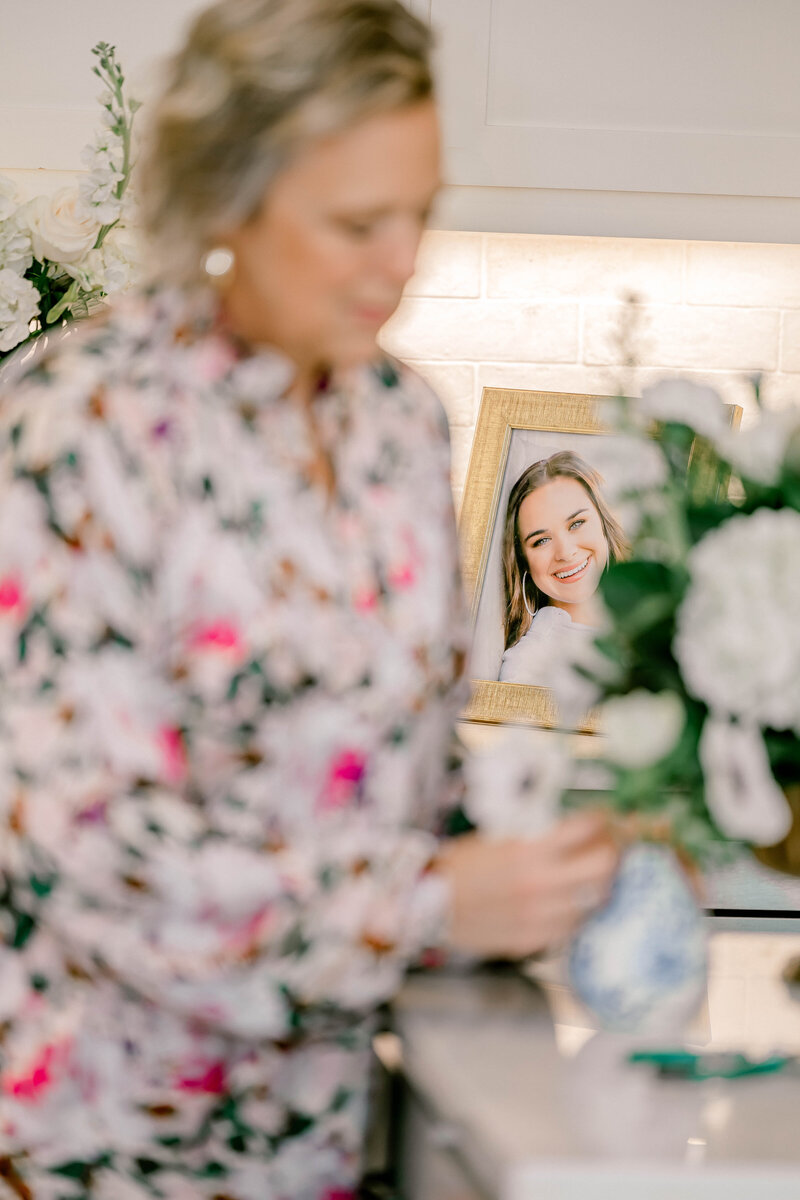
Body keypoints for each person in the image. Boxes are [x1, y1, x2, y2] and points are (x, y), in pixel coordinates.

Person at [0, 3, 619, 1195]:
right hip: (101, 1141)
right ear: (227, 201)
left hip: (323, 1129)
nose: (402, 262)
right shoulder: (79, 428)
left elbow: (403, 773)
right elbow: (95, 854)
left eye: (419, 215)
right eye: (355, 223)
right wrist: (434, 902)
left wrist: (534, 859)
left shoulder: (396, 422)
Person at [499, 451, 628, 685]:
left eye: (576, 523)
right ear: (523, 560)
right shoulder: (527, 669)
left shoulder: (656, 606)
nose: (566, 552)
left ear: (603, 522)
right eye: (541, 541)